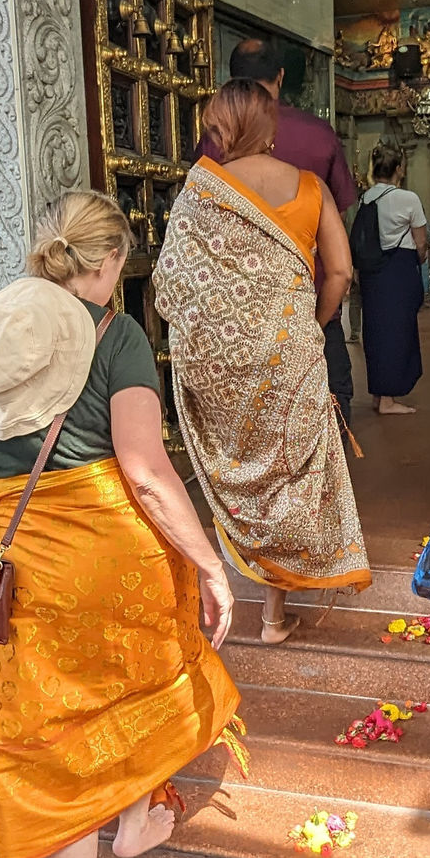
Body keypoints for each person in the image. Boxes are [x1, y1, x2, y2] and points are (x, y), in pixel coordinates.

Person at [0, 190, 243, 858]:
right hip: (114, 549)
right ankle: (137, 818)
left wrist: (4, 518)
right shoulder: (118, 333)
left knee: (54, 749)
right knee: (139, 690)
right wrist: (210, 564)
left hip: (23, 555)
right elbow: (143, 468)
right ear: (108, 264)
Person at [157, 83, 369, 644]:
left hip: (221, 363)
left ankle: (229, 582)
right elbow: (341, 273)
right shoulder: (310, 187)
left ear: (220, 128)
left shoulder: (199, 191)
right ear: (270, 125)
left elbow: (172, 283)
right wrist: (311, 326)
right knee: (287, 473)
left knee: (240, 470)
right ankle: (274, 615)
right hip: (291, 352)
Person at [195, 37, 360, 429]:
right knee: (325, 434)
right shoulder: (314, 155)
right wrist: (315, 325)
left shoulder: (206, 170)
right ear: (280, 77)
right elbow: (340, 271)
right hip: (309, 323)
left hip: (236, 336)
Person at [354, 146, 427, 414]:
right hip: (399, 269)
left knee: (375, 331)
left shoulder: (366, 198)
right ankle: (388, 400)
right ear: (399, 169)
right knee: (398, 332)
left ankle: (379, 393)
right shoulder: (408, 198)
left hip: (373, 271)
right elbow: (421, 243)